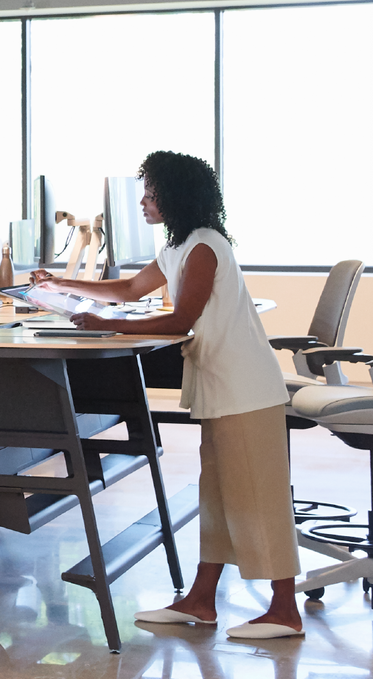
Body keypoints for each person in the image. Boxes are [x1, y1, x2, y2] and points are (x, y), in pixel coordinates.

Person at [29, 150, 302, 639]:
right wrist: (59, 284)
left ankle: (285, 610)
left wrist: (108, 326)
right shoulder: (180, 246)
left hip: (246, 389)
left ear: (174, 195)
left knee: (260, 499)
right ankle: (201, 600)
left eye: (150, 193)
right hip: (221, 387)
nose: (142, 202)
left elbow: (180, 320)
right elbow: (131, 289)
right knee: (218, 498)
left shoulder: (205, 246)